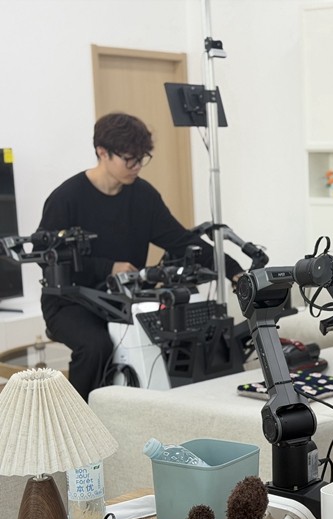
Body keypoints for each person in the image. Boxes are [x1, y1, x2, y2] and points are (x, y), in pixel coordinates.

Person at [36, 112, 245, 401]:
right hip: (69, 302)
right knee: (96, 346)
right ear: (102, 152)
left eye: (141, 159)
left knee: (179, 332)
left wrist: (234, 272)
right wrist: (108, 267)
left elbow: (182, 240)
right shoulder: (66, 198)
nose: (136, 167)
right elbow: (47, 258)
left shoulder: (143, 196)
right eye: (129, 160)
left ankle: (151, 410)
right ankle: (76, 418)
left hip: (122, 300)